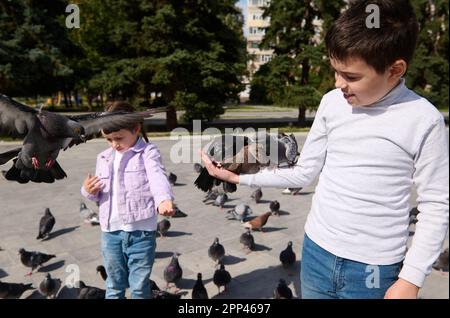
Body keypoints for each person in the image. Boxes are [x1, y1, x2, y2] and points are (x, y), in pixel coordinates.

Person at [200, 0, 449, 299]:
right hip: (316, 253)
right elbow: (304, 171)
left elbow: (436, 205)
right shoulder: (332, 103)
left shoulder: (424, 120)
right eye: (335, 71)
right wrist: (240, 179)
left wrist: (411, 278)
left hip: (374, 269)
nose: (338, 83)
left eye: (351, 76)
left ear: (395, 70)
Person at [81, 101, 174, 299]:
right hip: (110, 233)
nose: (114, 144)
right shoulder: (103, 158)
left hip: (141, 234)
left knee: (140, 287)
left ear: (136, 128)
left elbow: (158, 177)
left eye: (119, 138)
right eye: (108, 139)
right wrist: (87, 190)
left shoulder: (148, 153)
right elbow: (97, 193)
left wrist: (163, 200)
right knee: (113, 285)